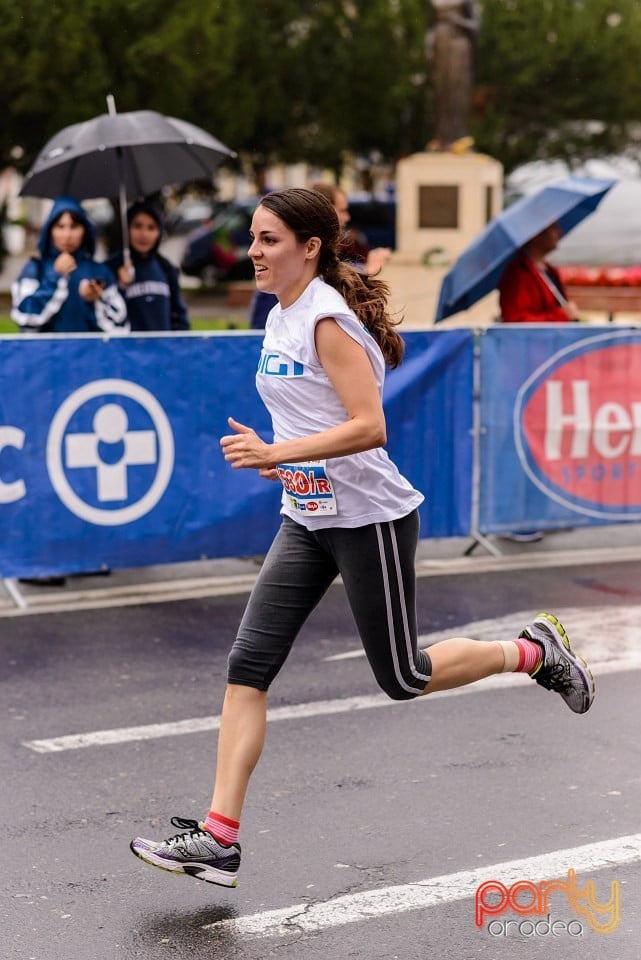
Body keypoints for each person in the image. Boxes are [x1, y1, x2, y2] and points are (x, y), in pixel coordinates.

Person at [130, 187, 594, 888]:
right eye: (252, 238)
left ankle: (532, 651)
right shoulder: (280, 316)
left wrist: (275, 455)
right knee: (246, 666)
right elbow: (305, 417)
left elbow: (369, 425)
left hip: (366, 516)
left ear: (309, 248)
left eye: (267, 240)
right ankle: (219, 839)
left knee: (402, 676)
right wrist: (282, 461)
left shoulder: (325, 319)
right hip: (306, 515)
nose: (251, 252)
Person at [249, 182, 391, 329]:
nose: (347, 217)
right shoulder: (277, 313)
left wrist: (368, 271)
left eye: (269, 240)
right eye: (342, 210)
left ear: (312, 247)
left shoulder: (325, 318)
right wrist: (368, 269)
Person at [11, 195, 128, 334]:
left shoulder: (100, 272)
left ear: (85, 230)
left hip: (90, 354)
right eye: (60, 226)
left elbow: (121, 329)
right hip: (47, 354)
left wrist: (96, 300)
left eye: (74, 227)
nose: (67, 235)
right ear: (49, 230)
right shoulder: (35, 269)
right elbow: (24, 318)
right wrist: (54, 278)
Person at [106, 200, 190, 332]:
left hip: (162, 349)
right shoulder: (111, 268)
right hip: (127, 350)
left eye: (151, 228)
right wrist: (120, 287)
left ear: (159, 232)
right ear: (127, 229)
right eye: (137, 226)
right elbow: (106, 317)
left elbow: (179, 317)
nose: (144, 234)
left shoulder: (166, 268)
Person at [498, 222, 581, 323]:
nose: (559, 233)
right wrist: (561, 315)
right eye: (553, 229)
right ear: (537, 234)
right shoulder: (519, 275)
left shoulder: (549, 270)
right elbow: (516, 321)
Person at [426, 0, 481, 151]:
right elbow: (430, 27)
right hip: (440, 46)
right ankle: (441, 138)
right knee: (441, 93)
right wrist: (429, 47)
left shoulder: (467, 2)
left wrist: (457, 21)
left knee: (458, 94)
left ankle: (459, 138)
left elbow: (476, 25)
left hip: (459, 47)